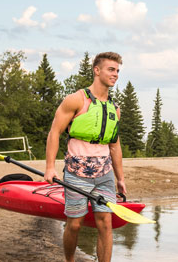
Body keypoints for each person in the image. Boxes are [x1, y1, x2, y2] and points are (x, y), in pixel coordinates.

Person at [44, 52, 126, 262]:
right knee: (75, 223)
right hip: (76, 172)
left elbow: (115, 146)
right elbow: (54, 133)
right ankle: (70, 260)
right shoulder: (76, 100)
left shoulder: (114, 109)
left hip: (104, 173)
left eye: (117, 70)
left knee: (105, 223)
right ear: (96, 70)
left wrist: (120, 179)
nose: (115, 74)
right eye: (111, 69)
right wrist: (50, 167)